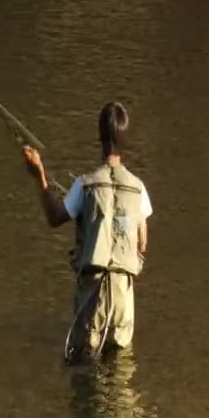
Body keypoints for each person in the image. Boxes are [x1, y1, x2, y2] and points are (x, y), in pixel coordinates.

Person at [23, 101, 153, 363]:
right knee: (120, 376)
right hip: (124, 299)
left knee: (84, 375)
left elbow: (54, 217)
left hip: (92, 296)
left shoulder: (84, 185)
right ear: (125, 140)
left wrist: (40, 175)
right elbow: (142, 245)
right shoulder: (139, 189)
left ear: (99, 138)